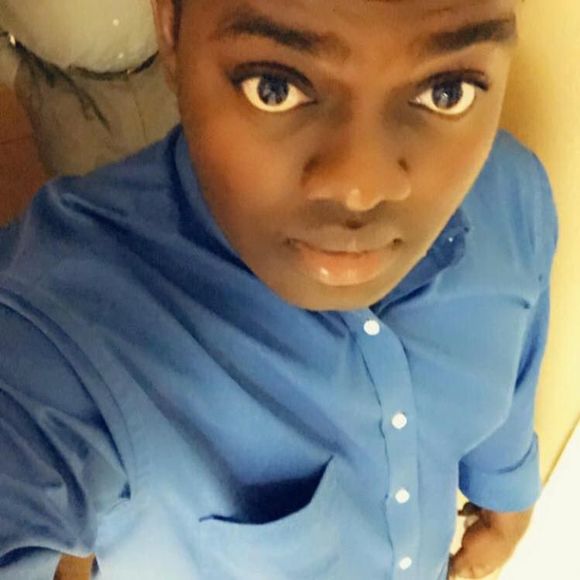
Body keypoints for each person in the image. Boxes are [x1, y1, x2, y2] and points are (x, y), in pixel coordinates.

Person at [0, 0, 559, 578]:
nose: (360, 189)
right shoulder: (59, 325)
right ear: (170, 31)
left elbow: (511, 375)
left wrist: (507, 494)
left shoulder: (511, 198)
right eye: (274, 87)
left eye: (447, 92)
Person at [0, 0, 179, 177]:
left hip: (170, 73)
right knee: (90, 193)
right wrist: (22, 80)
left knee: (189, 184)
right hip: (72, 100)